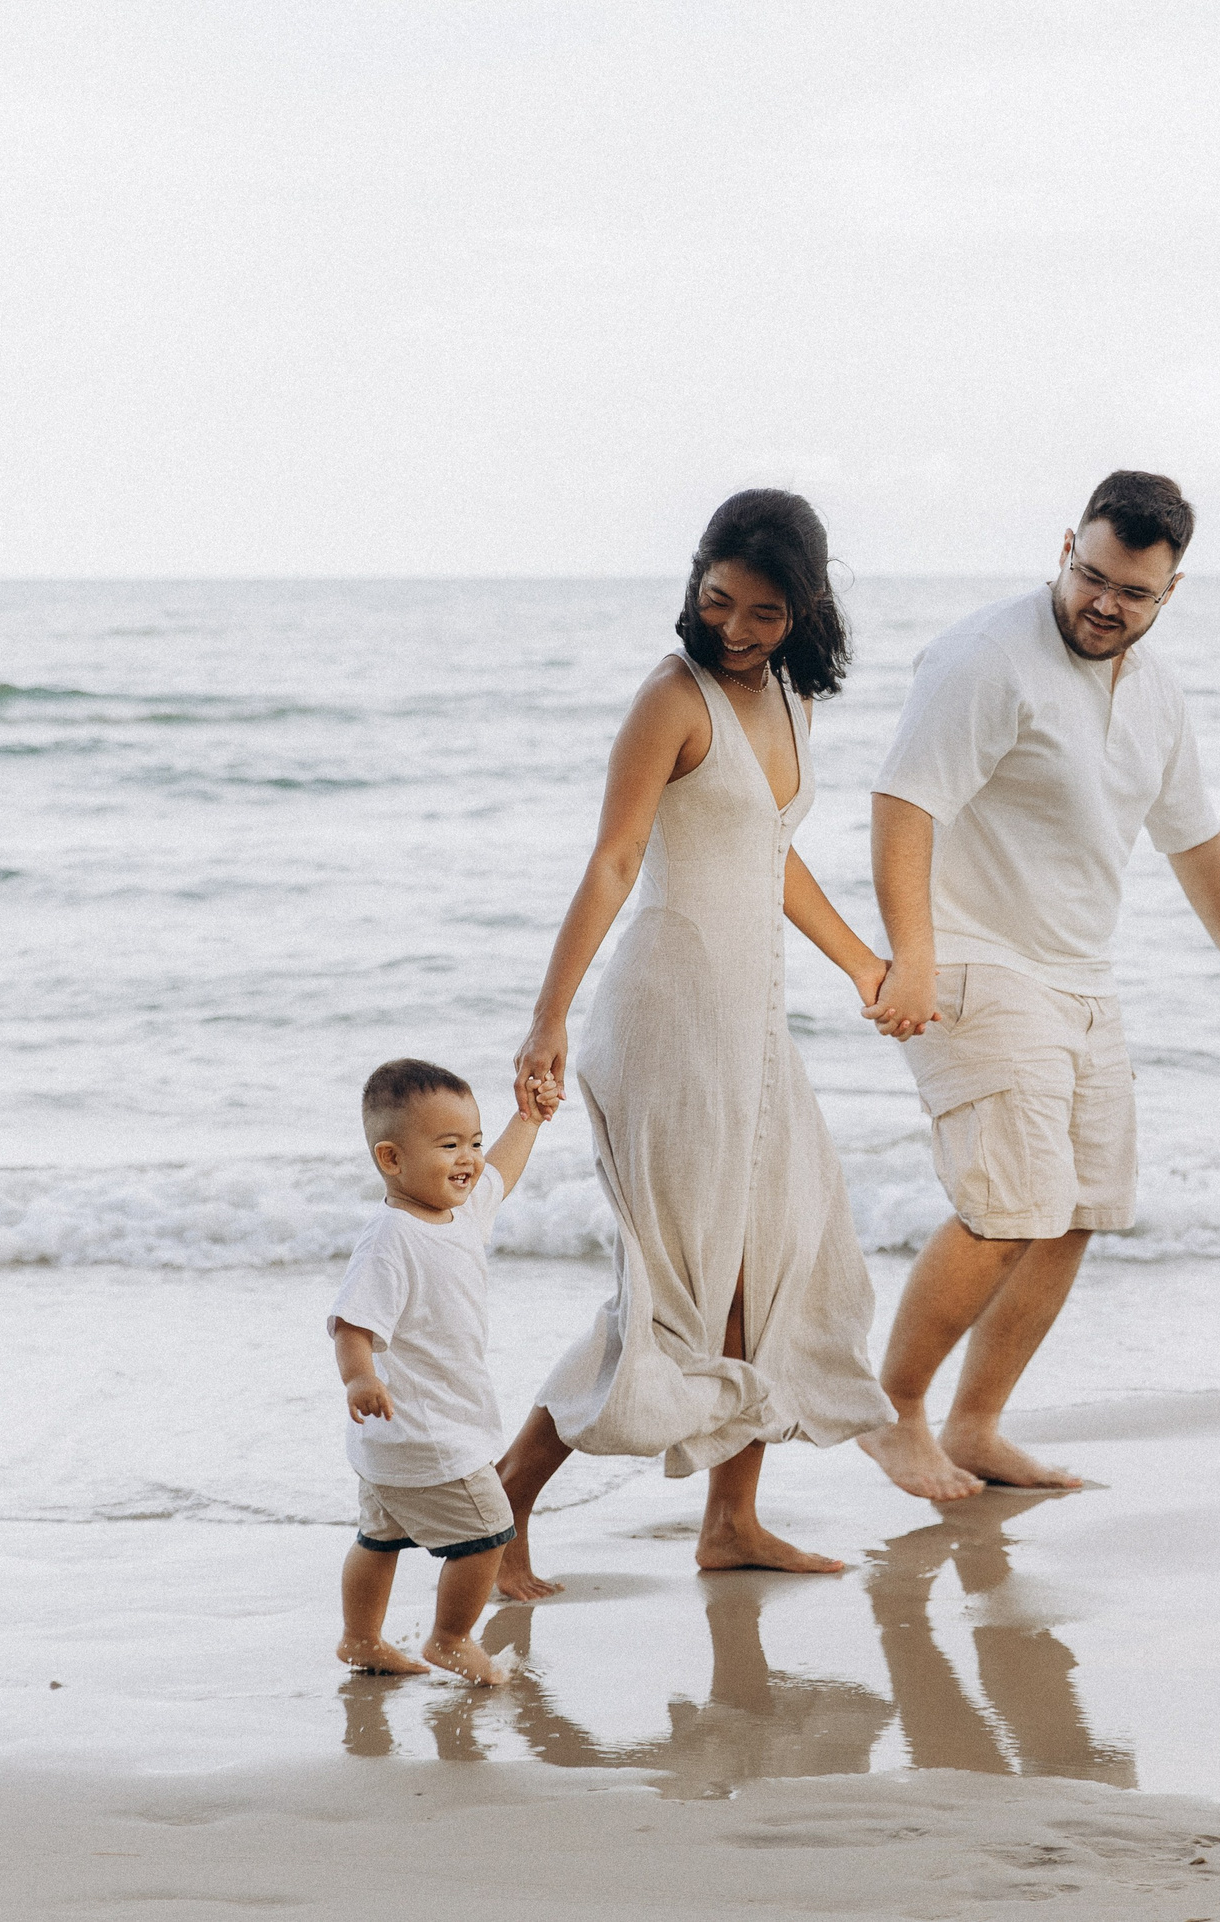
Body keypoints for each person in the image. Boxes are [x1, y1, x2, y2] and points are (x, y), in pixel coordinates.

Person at [496, 490, 898, 1597]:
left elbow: (772, 856)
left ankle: (731, 1521)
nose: (732, 627)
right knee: (670, 1292)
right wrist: (547, 1015)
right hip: (668, 1017)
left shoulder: (788, 693)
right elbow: (615, 862)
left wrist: (863, 962)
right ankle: (500, 1507)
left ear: (803, 607)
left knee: (779, 1262)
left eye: (762, 612)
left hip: (753, 1027)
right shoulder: (669, 701)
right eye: (715, 600)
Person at [858, 471, 1220, 1502]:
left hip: (1081, 977)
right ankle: (895, 1413)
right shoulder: (984, 658)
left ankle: (977, 1422)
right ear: (1063, 547)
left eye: (1132, 592)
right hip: (973, 961)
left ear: (1168, 591)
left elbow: (1191, 829)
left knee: (1075, 1209)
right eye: (1089, 576)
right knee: (1006, 1210)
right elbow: (903, 803)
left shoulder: (1156, 689)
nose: (1104, 603)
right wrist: (910, 954)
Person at [329, 1055, 553, 1684]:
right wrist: (360, 1378)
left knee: (379, 1540)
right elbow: (352, 1324)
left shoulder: (460, 1213)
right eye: (449, 1144)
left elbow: (500, 1174)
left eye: (473, 1142)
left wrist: (527, 1119)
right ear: (392, 1159)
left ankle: (360, 1639)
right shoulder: (391, 1238)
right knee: (490, 1534)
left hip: (390, 1443)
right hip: (427, 1432)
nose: (469, 1158)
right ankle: (450, 1638)